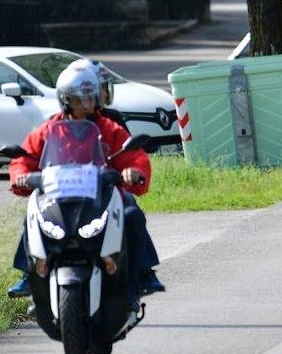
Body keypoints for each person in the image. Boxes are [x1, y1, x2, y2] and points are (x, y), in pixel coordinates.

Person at [7, 63, 164, 308]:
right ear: (66, 100)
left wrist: (133, 171)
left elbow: (134, 157)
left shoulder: (109, 128)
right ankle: (30, 274)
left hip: (102, 194)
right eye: (80, 100)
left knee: (132, 214)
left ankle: (141, 274)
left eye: (91, 99)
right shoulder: (49, 129)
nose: (88, 105)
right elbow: (25, 157)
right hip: (59, 196)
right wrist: (22, 174)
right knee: (33, 216)